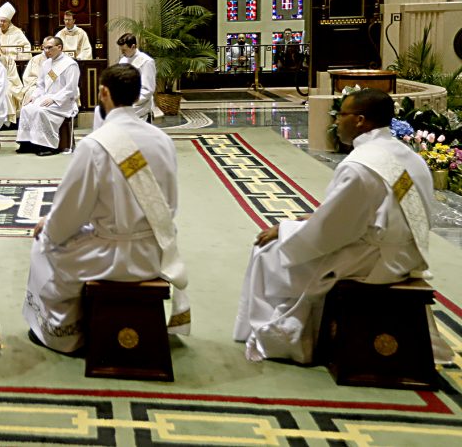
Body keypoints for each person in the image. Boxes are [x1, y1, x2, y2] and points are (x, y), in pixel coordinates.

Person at [234, 88, 450, 365]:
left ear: (360, 120)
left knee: (269, 251)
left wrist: (286, 230)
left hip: (376, 262)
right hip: (407, 253)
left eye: (340, 115)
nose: (335, 122)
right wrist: (314, 218)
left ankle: (275, 334)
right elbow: (376, 208)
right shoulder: (406, 155)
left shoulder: (360, 166)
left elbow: (331, 233)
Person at [24, 64, 190, 354]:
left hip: (111, 258)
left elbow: (68, 212)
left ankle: (64, 333)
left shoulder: (94, 145)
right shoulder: (163, 141)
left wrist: (49, 228)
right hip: (155, 253)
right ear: (139, 95)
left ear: (103, 93)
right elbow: (171, 204)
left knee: (43, 247)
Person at [17, 37, 80, 156]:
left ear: (59, 47)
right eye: (44, 48)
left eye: (50, 47)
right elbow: (40, 84)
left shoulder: (70, 65)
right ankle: (28, 143)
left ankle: (48, 146)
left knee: (41, 111)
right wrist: (34, 96)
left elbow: (71, 89)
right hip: (46, 97)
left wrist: (54, 99)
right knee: (27, 109)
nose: (46, 50)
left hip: (64, 101)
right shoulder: (46, 64)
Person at [94, 32, 158, 129]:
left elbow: (148, 89)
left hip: (139, 107)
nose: (122, 53)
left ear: (133, 46)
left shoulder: (146, 61)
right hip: (123, 106)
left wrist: (130, 101)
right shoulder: (123, 60)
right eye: (121, 50)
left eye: (124, 50)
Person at [0, 38, 23, 127]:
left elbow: (12, 77)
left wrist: (0, 82)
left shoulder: (8, 61)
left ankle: (5, 121)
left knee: (5, 93)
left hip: (6, 83)